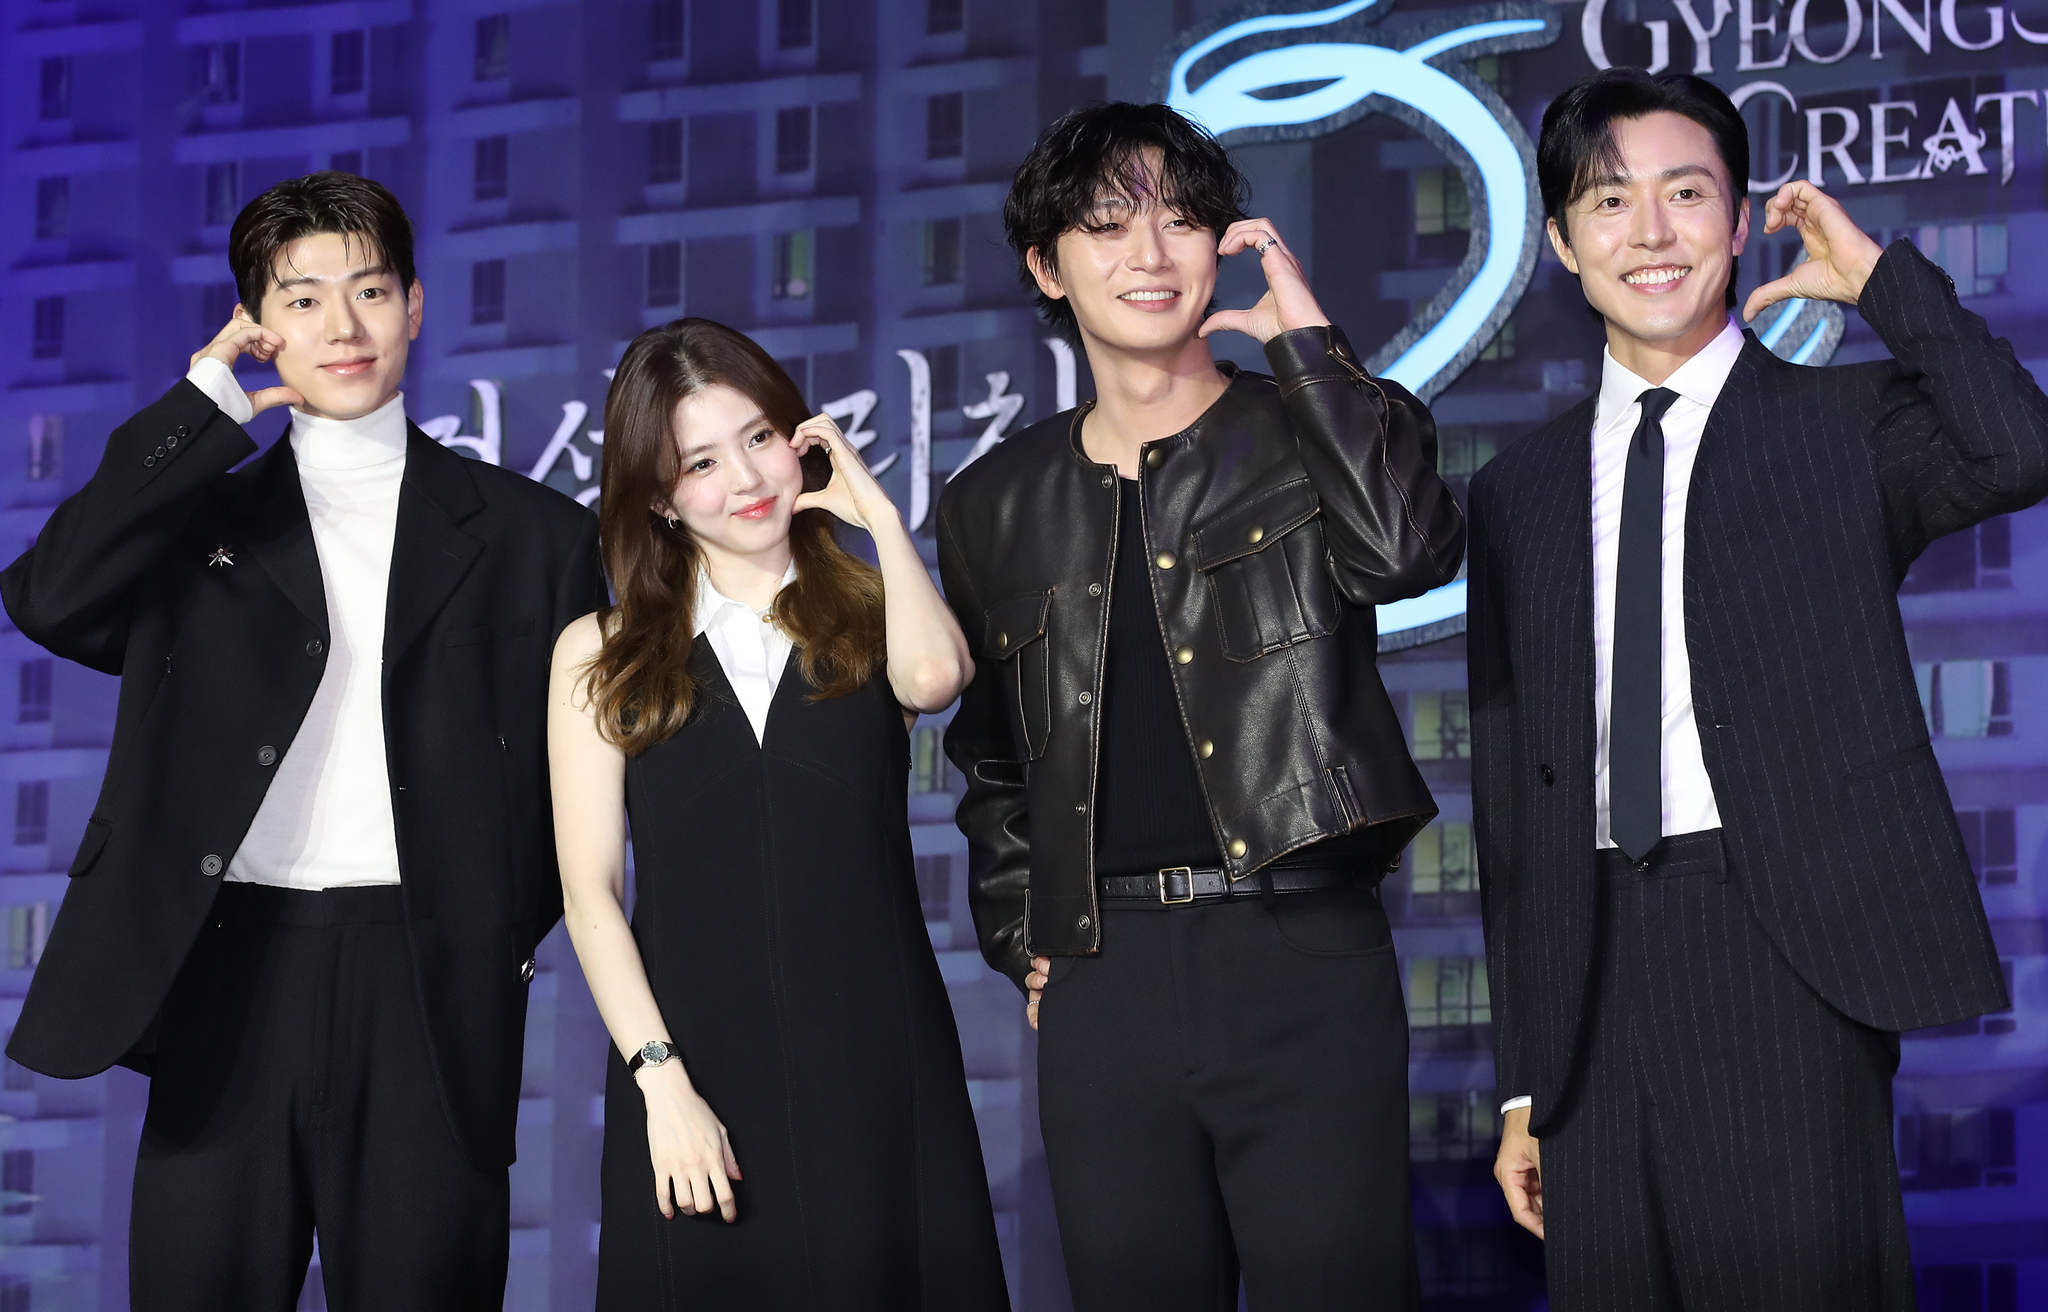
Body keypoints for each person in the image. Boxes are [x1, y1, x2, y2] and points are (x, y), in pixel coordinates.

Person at [1471, 68, 2048, 1311]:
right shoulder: (1515, 491)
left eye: (1686, 194)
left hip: (1781, 936)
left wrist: (1884, 282)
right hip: (1586, 971)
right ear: (1563, 242)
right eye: (1608, 202)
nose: (1650, 232)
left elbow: (2017, 447)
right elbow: (1513, 804)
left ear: (1737, 223)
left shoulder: (1839, 422)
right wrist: (1522, 1079)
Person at [0, 172, 606, 1309]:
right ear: (259, 323)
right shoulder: (199, 524)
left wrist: (479, 924)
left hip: (428, 984)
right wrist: (202, 409)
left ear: (416, 306)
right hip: (226, 963)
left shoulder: (536, 537)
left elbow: (564, 793)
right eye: (306, 297)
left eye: (370, 291)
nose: (343, 326)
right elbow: (50, 595)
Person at [937, 103, 1465, 1310]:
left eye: (1182, 222)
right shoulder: (990, 501)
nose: (1150, 255)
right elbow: (993, 761)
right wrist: (1025, 937)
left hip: (1299, 947)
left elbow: (1403, 553)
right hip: (1101, 974)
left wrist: (1315, 355)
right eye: (1107, 226)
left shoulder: (1316, 422)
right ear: (1045, 266)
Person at [548, 318, 1010, 1310]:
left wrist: (877, 517)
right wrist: (660, 1081)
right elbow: (588, 892)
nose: (748, 478)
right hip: (694, 1068)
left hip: (875, 1057)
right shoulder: (601, 649)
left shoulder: (870, 604)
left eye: (760, 437)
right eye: (700, 462)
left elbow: (934, 678)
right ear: (660, 500)